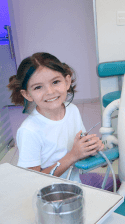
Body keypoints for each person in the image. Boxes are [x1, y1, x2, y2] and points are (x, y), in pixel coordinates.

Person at [7, 52, 104, 183]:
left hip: (77, 180)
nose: (50, 92)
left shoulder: (72, 110)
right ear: (27, 95)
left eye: (55, 82)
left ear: (67, 81)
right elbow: (32, 181)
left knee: (122, 186)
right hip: (53, 194)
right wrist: (72, 156)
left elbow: (79, 152)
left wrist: (90, 149)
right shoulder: (29, 131)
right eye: (38, 87)